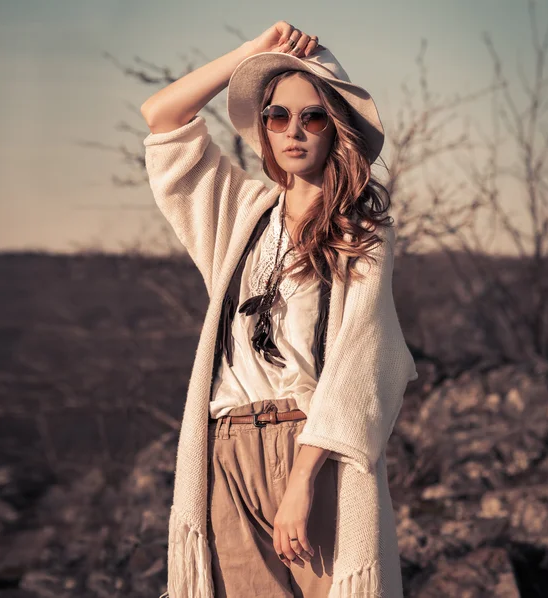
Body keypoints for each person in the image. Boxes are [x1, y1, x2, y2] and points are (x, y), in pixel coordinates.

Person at [141, 20, 418, 598]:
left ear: (336, 129)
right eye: (277, 116)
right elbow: (161, 117)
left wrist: (300, 482)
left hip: (310, 450)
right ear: (264, 129)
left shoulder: (360, 231)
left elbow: (357, 365)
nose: (294, 130)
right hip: (226, 448)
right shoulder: (239, 212)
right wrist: (250, 55)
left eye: (312, 116)